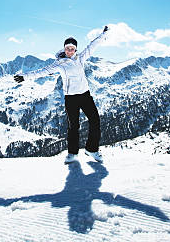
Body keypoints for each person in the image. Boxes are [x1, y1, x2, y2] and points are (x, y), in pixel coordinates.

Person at [14, 25, 109, 164]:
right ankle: (72, 153)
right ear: (64, 49)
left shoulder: (81, 58)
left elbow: (92, 46)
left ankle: (92, 149)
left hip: (85, 95)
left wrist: (103, 35)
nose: (70, 51)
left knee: (95, 120)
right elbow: (42, 71)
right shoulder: (59, 63)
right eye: (67, 48)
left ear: (75, 49)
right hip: (71, 98)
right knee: (73, 126)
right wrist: (25, 76)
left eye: (72, 48)